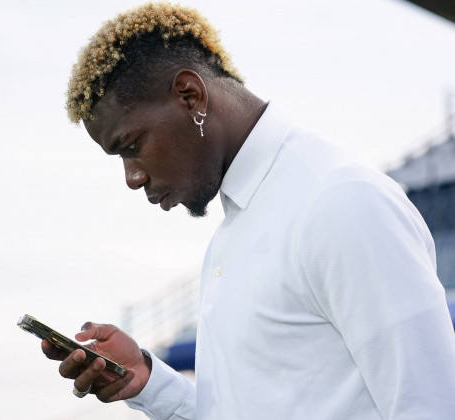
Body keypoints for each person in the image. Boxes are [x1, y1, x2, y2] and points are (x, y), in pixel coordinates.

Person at [41, 3, 455, 418]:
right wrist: (150, 383)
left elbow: (433, 405)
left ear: (190, 96)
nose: (132, 177)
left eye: (131, 147)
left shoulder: (340, 202)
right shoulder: (237, 231)